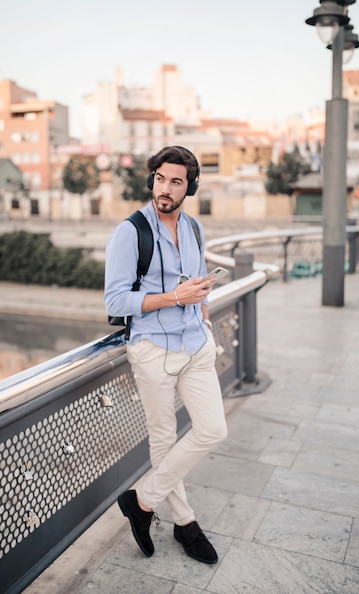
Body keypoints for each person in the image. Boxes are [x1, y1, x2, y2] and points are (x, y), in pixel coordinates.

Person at [104, 145, 227, 564]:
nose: (165, 188)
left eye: (176, 181)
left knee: (213, 429)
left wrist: (205, 321)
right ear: (151, 179)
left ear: (190, 186)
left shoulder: (194, 228)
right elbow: (117, 300)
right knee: (164, 441)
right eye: (160, 179)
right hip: (152, 349)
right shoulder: (130, 231)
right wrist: (173, 296)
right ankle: (186, 524)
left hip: (194, 344)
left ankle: (141, 502)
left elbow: (199, 284)